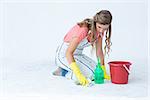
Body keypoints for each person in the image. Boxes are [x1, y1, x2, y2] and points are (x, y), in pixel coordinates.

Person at [53, 10, 112, 86]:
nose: (101, 30)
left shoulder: (100, 31)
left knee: (97, 71)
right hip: (64, 55)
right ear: (95, 23)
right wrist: (78, 74)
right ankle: (64, 72)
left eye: (105, 28)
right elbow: (68, 53)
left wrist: (103, 68)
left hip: (78, 55)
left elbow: (99, 51)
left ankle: (66, 69)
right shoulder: (83, 31)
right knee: (91, 75)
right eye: (99, 27)